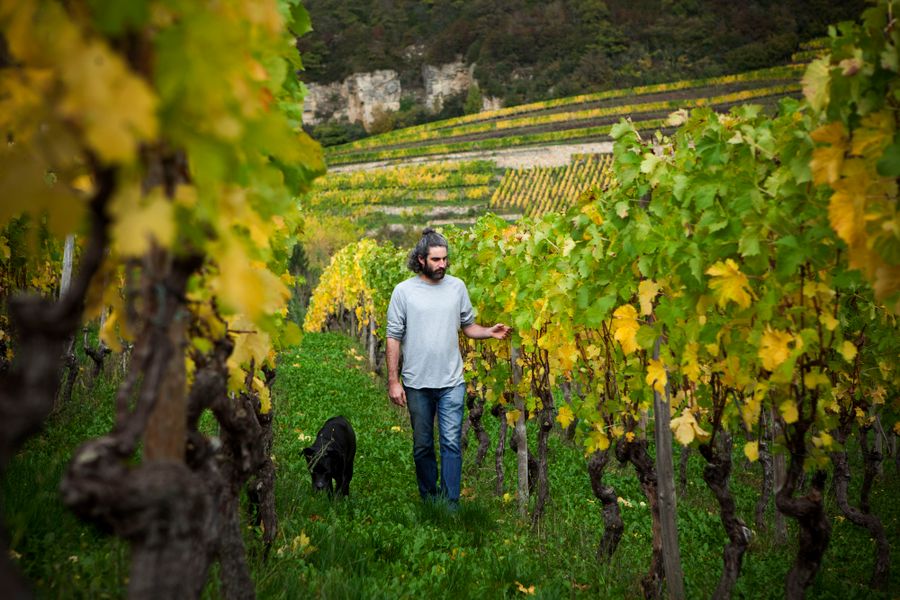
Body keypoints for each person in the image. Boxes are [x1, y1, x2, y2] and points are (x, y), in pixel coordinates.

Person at [386, 228, 510, 508]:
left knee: (452, 443)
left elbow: (468, 326)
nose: (442, 264)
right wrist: (393, 381)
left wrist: (488, 332)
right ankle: (429, 499)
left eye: (445, 259)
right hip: (416, 382)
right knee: (422, 445)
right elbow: (393, 337)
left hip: (452, 382)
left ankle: (450, 504)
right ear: (421, 260)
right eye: (436, 259)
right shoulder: (403, 292)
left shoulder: (457, 287)